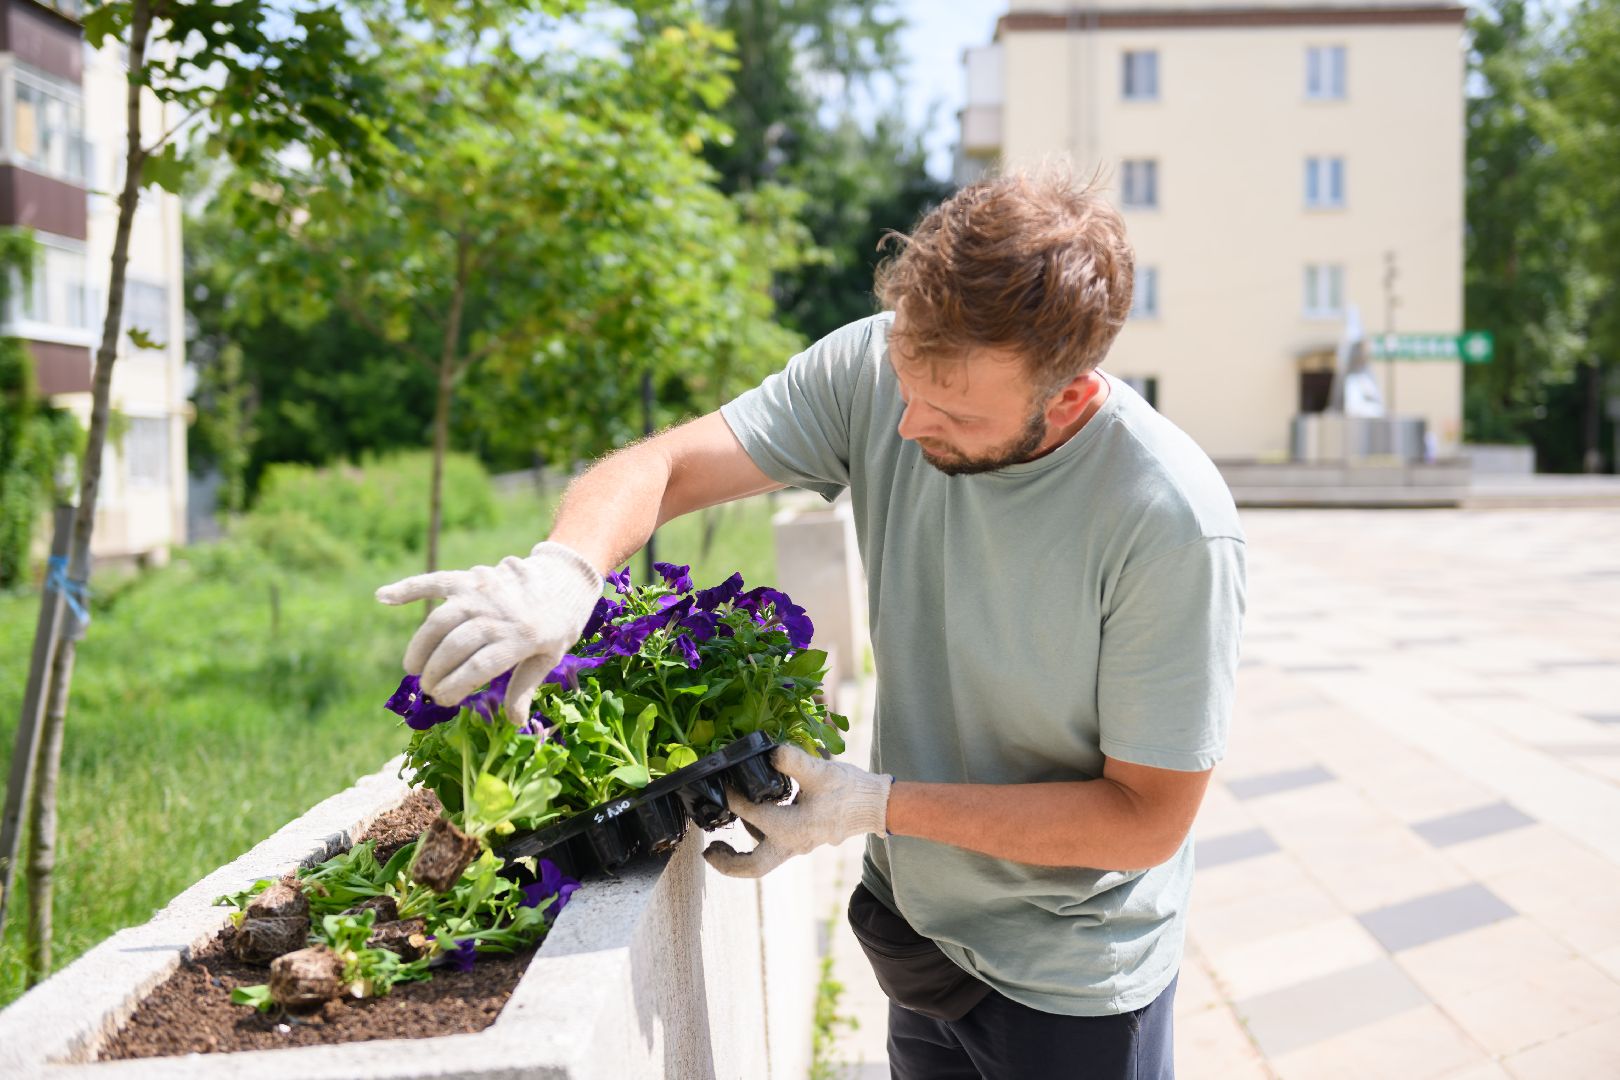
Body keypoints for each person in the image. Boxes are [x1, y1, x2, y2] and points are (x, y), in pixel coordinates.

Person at [376, 166, 1246, 1080]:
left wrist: (874, 806)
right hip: (918, 935)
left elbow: (1143, 819)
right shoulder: (879, 366)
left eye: (951, 411)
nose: (905, 425)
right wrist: (564, 567)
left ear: (1065, 397)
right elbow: (667, 465)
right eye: (907, 382)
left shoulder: (1170, 523)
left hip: (1067, 986)